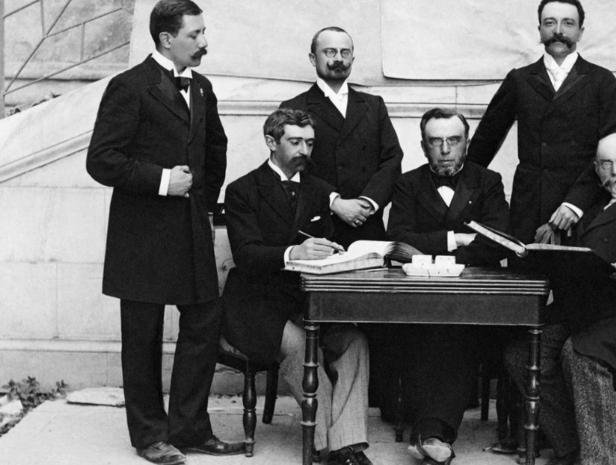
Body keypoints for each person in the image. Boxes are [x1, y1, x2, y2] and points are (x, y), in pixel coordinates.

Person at [85, 1, 241, 463]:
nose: (204, 42)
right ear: (167, 39)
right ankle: (150, 435)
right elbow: (101, 160)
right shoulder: (128, 86)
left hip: (191, 230)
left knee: (204, 322)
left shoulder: (202, 87)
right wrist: (162, 181)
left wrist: (203, 203)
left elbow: (215, 149)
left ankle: (189, 428)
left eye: (204, 32)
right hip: (142, 237)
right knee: (143, 336)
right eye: (195, 34)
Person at [505, 133, 616, 465]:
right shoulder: (589, 209)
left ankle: (604, 459)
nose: (615, 172)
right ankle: (573, 447)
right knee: (521, 354)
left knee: (581, 353)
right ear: (596, 168)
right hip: (584, 315)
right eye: (606, 164)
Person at [221, 108, 373, 465]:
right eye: (295, 141)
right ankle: (328, 447)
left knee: (355, 342)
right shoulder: (242, 190)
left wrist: (333, 253)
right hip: (255, 306)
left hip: (306, 303)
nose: (304, 150)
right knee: (305, 348)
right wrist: (294, 252)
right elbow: (246, 255)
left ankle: (347, 443)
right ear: (271, 142)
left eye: (310, 143)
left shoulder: (319, 191)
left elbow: (325, 244)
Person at [387, 108, 510, 465]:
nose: (445, 149)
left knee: (457, 333)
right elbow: (398, 240)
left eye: (453, 141)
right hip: (420, 297)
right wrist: (456, 239)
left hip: (475, 299)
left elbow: (498, 242)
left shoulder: (488, 181)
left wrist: (430, 245)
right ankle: (432, 434)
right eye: (435, 141)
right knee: (424, 333)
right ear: (423, 146)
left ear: (466, 143)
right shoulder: (407, 183)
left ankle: (431, 434)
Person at [467, 0, 616, 246]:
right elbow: (483, 144)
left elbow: (613, 153)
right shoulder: (519, 80)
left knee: (582, 270)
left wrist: (575, 203)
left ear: (581, 31)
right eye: (550, 23)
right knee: (528, 270)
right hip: (530, 210)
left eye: (568, 23)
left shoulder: (602, 82)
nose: (558, 31)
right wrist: (463, 196)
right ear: (539, 29)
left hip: (585, 209)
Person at [279, 26, 403, 247]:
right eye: (330, 52)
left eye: (344, 52)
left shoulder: (373, 106)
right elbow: (289, 165)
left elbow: (392, 159)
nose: (338, 58)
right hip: (318, 227)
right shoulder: (294, 107)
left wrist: (368, 203)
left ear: (352, 59)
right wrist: (334, 202)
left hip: (367, 226)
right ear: (313, 58)